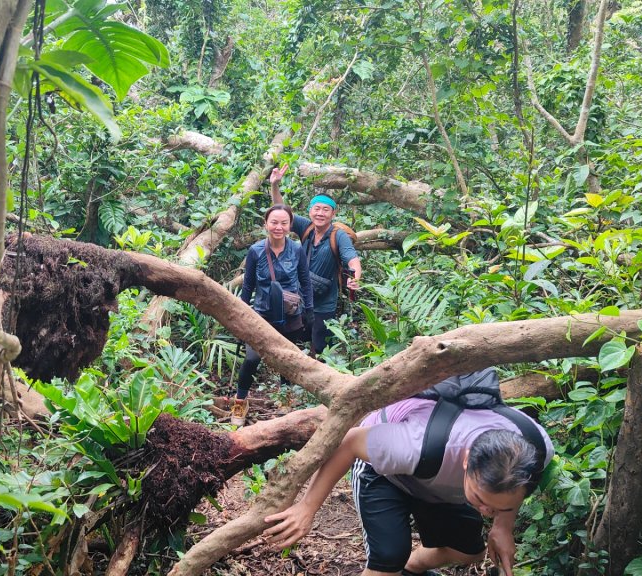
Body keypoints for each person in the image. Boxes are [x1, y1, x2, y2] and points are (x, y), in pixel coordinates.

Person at [262, 393, 553, 576]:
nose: (486, 512)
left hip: (437, 480)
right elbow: (349, 442)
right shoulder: (415, 445)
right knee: (388, 558)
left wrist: (503, 526)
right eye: (481, 500)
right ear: (466, 460)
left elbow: (507, 492)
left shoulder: (536, 447)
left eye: (497, 508)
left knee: (470, 551)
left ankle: (411, 569)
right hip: (384, 471)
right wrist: (307, 507)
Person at [232, 203, 314, 426]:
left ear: (290, 225)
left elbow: (305, 281)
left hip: (291, 315)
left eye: (284, 223)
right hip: (261, 315)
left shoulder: (296, 249)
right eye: (274, 222)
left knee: (286, 360)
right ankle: (240, 401)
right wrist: (240, 317)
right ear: (266, 224)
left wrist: (309, 311)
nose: (279, 227)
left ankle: (285, 401)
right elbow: (248, 286)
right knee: (251, 359)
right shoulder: (256, 250)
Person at [269, 164, 362, 357]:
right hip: (299, 298)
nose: (320, 213)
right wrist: (275, 185)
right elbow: (281, 211)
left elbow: (352, 260)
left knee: (321, 347)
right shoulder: (306, 227)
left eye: (326, 209)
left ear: (333, 214)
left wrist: (355, 279)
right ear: (310, 210)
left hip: (324, 304)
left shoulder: (338, 236)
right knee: (293, 340)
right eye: (317, 208)